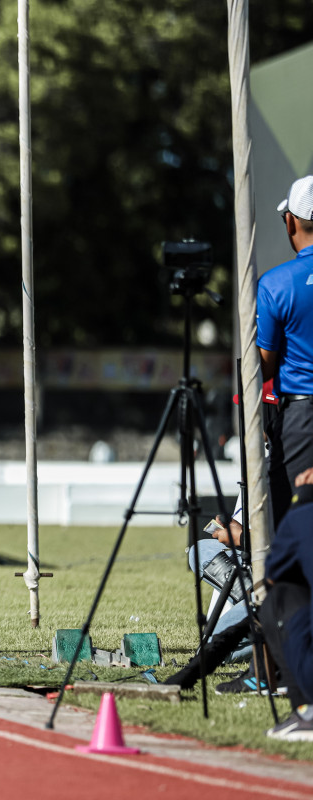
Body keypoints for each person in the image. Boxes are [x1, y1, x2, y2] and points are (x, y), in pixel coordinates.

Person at [258, 175, 313, 524]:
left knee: (290, 522)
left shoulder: (275, 283)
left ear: (291, 222)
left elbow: (263, 367)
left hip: (302, 419)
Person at [259, 468, 313, 740]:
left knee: (275, 599)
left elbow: (272, 575)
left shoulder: (302, 515)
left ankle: (306, 709)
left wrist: (301, 498)